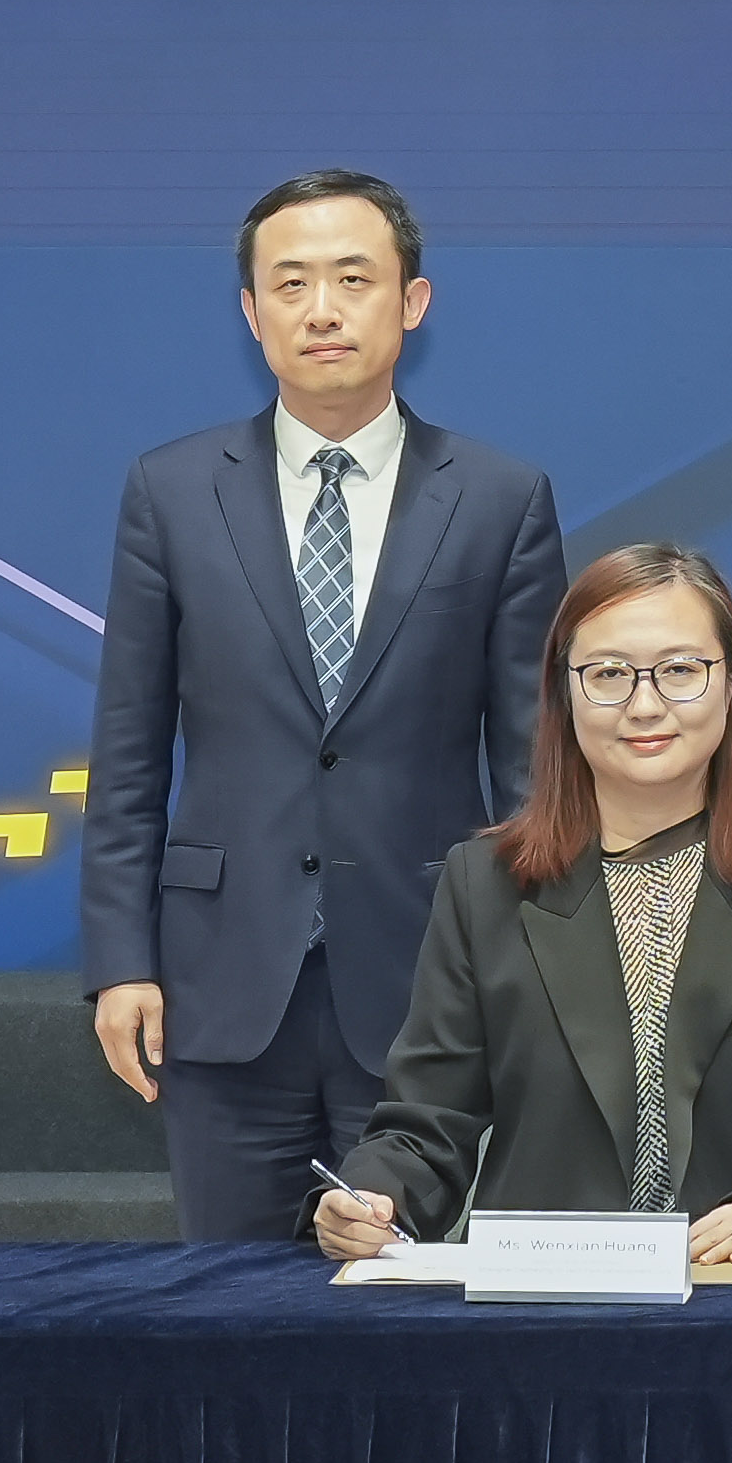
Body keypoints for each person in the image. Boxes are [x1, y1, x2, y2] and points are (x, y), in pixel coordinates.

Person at [83, 169, 568, 1242]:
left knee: (415, 1318)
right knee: (225, 1323)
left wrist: (533, 965)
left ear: (414, 301)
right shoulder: (170, 490)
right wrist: (121, 957)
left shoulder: (498, 496)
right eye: (290, 282)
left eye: (354, 277)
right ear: (252, 314)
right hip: (219, 983)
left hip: (430, 983)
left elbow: (533, 765)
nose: (323, 307)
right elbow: (126, 745)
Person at [313, 544, 732, 1260]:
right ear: (564, 695)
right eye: (607, 675)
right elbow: (425, 1122)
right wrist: (372, 1196)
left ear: (730, 686)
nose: (644, 705)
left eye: (681, 671)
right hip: (542, 1306)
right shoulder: (486, 884)